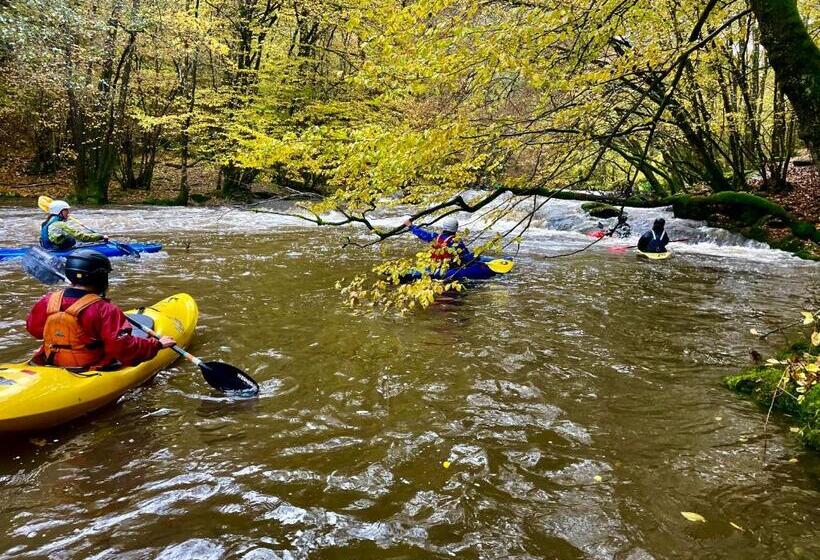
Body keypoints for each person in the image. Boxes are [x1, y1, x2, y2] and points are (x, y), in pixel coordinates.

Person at [26, 249, 175, 369]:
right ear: (101, 278)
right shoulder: (105, 310)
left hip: (52, 360)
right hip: (89, 366)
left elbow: (35, 330)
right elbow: (123, 349)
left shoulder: (48, 300)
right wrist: (157, 345)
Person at [40, 200, 107, 251]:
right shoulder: (60, 224)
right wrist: (100, 236)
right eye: (66, 210)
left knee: (69, 237)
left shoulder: (46, 223)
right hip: (56, 249)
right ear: (59, 212)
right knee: (71, 239)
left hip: (48, 248)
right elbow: (81, 237)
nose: (68, 212)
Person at [403, 216, 474, 265]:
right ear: (456, 228)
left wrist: (410, 226)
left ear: (444, 226)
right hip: (450, 266)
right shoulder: (457, 242)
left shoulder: (435, 237)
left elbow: (423, 234)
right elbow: (467, 257)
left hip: (436, 264)